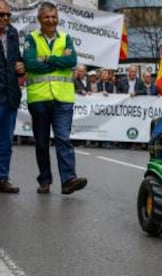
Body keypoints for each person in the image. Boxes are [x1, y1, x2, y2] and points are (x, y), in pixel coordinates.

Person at [23, 1, 87, 194]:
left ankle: (68, 179)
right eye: (47, 17)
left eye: (53, 17)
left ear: (58, 18)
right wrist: (58, 61)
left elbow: (71, 61)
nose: (51, 20)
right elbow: (31, 64)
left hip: (63, 99)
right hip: (39, 98)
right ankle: (44, 180)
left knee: (63, 139)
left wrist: (46, 59)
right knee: (42, 143)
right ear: (39, 19)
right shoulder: (31, 38)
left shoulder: (66, 38)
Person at [0, 0, 25, 193]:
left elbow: (17, 59)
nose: (6, 18)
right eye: (2, 15)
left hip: (9, 97)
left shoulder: (12, 33)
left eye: (8, 15)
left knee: (6, 142)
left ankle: (2, 178)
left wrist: (21, 66)